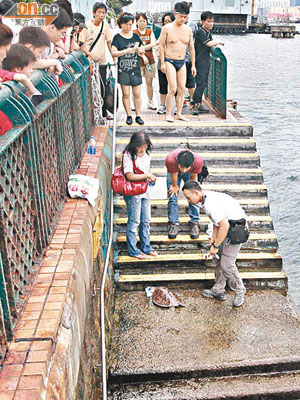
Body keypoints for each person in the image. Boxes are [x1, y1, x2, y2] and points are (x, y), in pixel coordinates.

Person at [182, 180, 247, 307]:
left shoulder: (210, 203)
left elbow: (224, 225)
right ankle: (218, 290)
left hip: (236, 230)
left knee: (226, 264)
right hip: (227, 227)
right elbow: (217, 222)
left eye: (188, 198)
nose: (188, 201)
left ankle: (239, 290)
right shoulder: (206, 199)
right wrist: (213, 239)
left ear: (196, 192)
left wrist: (216, 246)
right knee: (217, 260)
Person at [122, 131, 158, 259]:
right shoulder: (128, 155)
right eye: (140, 147)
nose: (143, 149)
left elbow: (146, 169)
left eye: (145, 147)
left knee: (146, 220)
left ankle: (146, 246)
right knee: (134, 220)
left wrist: (150, 175)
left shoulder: (147, 153)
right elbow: (129, 175)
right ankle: (133, 250)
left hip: (145, 190)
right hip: (133, 192)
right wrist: (147, 175)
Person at [159, 1, 196, 122]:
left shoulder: (188, 30)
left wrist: (193, 65)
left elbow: (191, 48)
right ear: (176, 14)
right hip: (170, 60)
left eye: (186, 17)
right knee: (173, 88)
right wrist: (163, 63)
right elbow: (161, 46)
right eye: (182, 16)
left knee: (181, 89)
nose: (183, 19)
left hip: (182, 61)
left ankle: (179, 113)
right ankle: (168, 113)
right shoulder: (167, 28)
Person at [79, 2, 113, 119]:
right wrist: (90, 55)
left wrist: (114, 57)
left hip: (102, 62)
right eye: (99, 12)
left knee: (102, 88)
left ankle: (103, 112)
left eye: (104, 13)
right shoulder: (86, 26)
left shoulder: (105, 26)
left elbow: (109, 43)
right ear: (94, 13)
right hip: (89, 63)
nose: (102, 15)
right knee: (91, 88)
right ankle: (92, 114)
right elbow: (81, 45)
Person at [111, 12, 145, 126]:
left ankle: (138, 115)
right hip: (123, 70)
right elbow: (113, 52)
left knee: (137, 93)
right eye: (126, 24)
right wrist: (126, 51)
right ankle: (129, 115)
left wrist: (141, 52)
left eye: (130, 24)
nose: (128, 27)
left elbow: (141, 49)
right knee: (125, 93)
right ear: (121, 24)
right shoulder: (117, 38)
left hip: (135, 69)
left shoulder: (135, 36)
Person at [166, 148, 204, 239]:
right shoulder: (170, 160)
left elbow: (192, 180)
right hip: (174, 172)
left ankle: (195, 221)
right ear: (177, 162)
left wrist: (190, 190)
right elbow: (173, 176)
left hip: (191, 174)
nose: (184, 170)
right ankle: (173, 222)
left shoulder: (198, 161)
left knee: (194, 195)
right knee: (172, 195)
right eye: (182, 167)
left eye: (186, 168)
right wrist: (174, 186)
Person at [192, 11, 224, 115]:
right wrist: (219, 42)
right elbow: (209, 43)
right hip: (200, 62)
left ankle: (197, 103)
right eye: (208, 21)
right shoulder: (200, 32)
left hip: (205, 61)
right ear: (202, 22)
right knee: (201, 84)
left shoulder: (208, 32)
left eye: (212, 22)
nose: (210, 24)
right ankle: (196, 105)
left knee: (203, 83)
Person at [133, 13, 157, 111]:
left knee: (149, 82)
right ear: (137, 22)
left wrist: (142, 47)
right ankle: (135, 103)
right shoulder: (134, 32)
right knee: (136, 83)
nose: (142, 23)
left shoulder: (149, 31)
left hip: (150, 61)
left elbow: (153, 44)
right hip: (137, 61)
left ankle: (150, 101)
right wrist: (142, 54)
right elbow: (134, 47)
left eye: (144, 21)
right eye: (140, 21)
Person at [156, 12, 174, 115]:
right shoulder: (162, 32)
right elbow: (157, 44)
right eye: (165, 21)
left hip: (174, 61)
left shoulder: (178, 32)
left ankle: (174, 107)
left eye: (169, 21)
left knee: (174, 86)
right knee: (163, 85)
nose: (167, 23)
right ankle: (162, 105)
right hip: (162, 61)